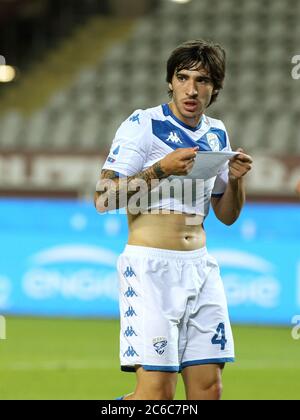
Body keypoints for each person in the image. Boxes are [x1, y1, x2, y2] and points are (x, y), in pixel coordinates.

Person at [94, 40, 253, 400]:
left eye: (203, 80)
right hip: (150, 269)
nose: (191, 89)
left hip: (200, 268)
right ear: (170, 81)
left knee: (209, 390)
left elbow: (226, 216)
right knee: (155, 397)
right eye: (183, 78)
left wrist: (238, 179)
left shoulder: (217, 132)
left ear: (216, 88)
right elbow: (103, 199)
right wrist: (159, 170)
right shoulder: (143, 124)